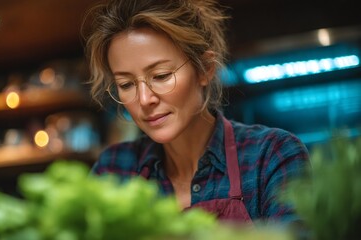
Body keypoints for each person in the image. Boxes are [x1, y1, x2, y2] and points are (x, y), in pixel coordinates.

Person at [83, 0, 310, 225]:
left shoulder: (271, 156)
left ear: (205, 69)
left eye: (161, 76)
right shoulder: (113, 168)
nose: (144, 99)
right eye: (126, 84)